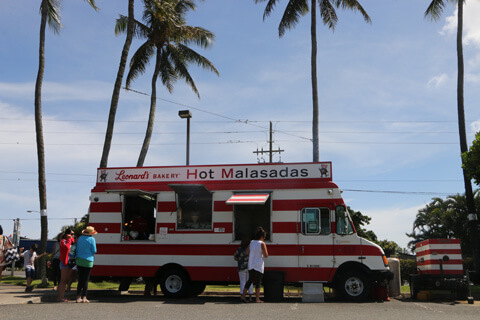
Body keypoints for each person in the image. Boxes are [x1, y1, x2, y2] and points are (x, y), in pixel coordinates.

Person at [241, 227, 268, 303]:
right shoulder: (262, 244)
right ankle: (257, 299)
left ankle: (243, 296)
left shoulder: (251, 242)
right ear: (262, 237)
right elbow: (266, 255)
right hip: (258, 265)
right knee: (258, 282)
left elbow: (247, 253)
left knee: (249, 281)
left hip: (251, 264)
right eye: (264, 237)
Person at [75, 226, 97, 303]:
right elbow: (94, 250)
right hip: (88, 261)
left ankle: (78, 297)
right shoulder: (92, 239)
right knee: (85, 279)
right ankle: (84, 297)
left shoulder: (80, 238)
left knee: (80, 279)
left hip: (79, 260)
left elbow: (77, 249)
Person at [57, 228, 75, 302]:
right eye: (71, 234)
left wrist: (71, 239)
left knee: (65, 281)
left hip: (69, 262)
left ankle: (62, 296)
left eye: (73, 234)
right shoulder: (63, 241)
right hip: (64, 262)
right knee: (63, 280)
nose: (72, 236)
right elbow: (67, 248)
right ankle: (60, 297)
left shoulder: (72, 241)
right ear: (67, 234)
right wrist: (68, 239)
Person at [234, 237, 253, 301]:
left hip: (241, 267)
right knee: (250, 282)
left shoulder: (239, 249)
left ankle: (243, 295)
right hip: (249, 267)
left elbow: (235, 258)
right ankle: (250, 297)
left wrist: (240, 260)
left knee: (243, 282)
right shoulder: (250, 249)